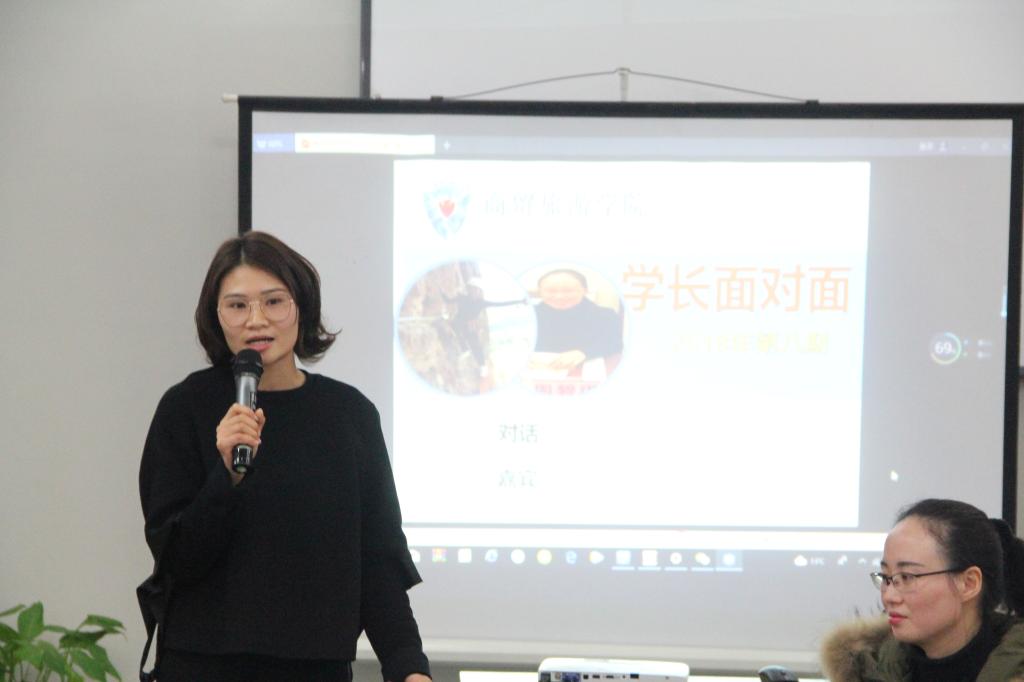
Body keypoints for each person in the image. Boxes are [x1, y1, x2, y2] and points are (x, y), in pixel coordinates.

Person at [138, 231, 431, 682]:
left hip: (317, 669)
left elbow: (378, 561)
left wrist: (409, 667)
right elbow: (176, 560)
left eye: (274, 302)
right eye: (238, 305)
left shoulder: (349, 415)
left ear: (302, 307)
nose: (256, 320)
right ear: (216, 317)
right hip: (202, 667)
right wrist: (226, 476)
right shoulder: (185, 408)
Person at [820, 498, 1024, 682]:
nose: (889, 596)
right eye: (886, 577)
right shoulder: (864, 672)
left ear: (969, 583)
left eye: (907, 577)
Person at [531, 268, 623, 372]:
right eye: (551, 291)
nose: (559, 296)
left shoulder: (605, 315)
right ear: (540, 292)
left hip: (586, 373)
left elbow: (615, 344)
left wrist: (584, 353)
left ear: (585, 290)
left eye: (568, 291)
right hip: (538, 371)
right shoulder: (528, 315)